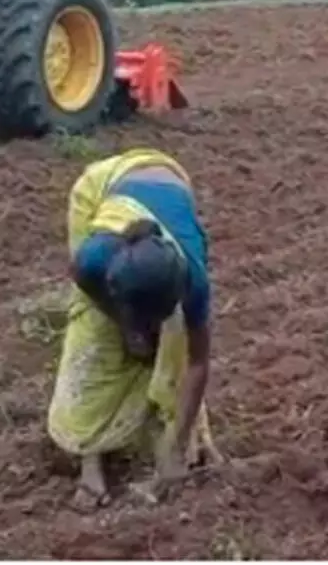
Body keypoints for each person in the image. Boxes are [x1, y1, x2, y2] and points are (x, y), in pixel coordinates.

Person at [48, 148, 219, 509]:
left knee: (172, 347)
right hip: (100, 187)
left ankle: (184, 444)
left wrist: (176, 448)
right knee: (96, 339)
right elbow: (88, 287)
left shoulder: (193, 280)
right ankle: (90, 461)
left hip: (167, 176)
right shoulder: (93, 261)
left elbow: (198, 362)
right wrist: (126, 328)